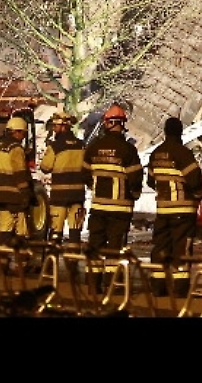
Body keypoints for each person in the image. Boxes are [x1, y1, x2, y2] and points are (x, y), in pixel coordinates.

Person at [82, 103, 143, 288]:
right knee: (114, 248)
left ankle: (93, 284)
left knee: (95, 245)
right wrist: (134, 194)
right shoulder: (128, 150)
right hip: (120, 209)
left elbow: (85, 174)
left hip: (99, 207)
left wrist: (95, 187)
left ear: (106, 124)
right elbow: (135, 178)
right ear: (122, 124)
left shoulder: (93, 148)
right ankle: (110, 284)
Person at [146, 116, 202, 297]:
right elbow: (195, 180)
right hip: (183, 210)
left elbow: (150, 181)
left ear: (165, 132)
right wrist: (197, 196)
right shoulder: (183, 154)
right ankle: (180, 290)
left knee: (160, 247)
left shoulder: (156, 153)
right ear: (180, 132)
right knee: (182, 248)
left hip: (163, 210)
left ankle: (158, 287)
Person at [39, 110, 86, 247]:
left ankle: (52, 261)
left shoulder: (55, 146)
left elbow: (45, 167)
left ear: (64, 126)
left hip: (59, 196)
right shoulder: (81, 145)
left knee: (56, 232)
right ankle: (73, 262)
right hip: (77, 195)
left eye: (56, 126)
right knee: (75, 232)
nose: (54, 129)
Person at [0, 115, 35, 246]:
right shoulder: (15, 148)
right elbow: (20, 173)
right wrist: (26, 193)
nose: (24, 137)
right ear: (17, 132)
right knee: (21, 229)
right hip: (14, 195)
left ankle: (2, 260)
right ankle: (23, 262)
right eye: (23, 133)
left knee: (5, 228)